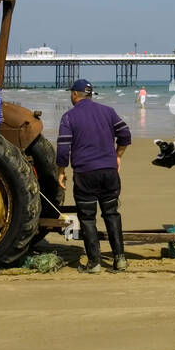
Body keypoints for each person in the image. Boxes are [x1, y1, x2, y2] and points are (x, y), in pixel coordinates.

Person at [57, 78, 131, 273]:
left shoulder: (68, 117)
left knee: (88, 218)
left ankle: (94, 263)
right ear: (90, 94)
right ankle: (120, 259)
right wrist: (118, 156)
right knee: (112, 213)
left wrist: (61, 171)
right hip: (109, 172)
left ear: (74, 94)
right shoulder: (108, 112)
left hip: (85, 173)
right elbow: (125, 134)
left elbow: (63, 150)